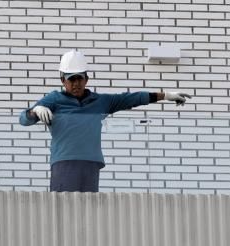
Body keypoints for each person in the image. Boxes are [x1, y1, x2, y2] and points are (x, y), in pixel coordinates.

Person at [19, 50, 191, 192]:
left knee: (90, 211)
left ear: (87, 79)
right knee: (64, 211)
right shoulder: (54, 99)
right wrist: (35, 110)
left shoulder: (100, 101)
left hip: (91, 162)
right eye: (71, 79)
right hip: (64, 162)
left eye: (79, 78)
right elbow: (23, 120)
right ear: (62, 79)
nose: (76, 83)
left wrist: (166, 95)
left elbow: (132, 98)